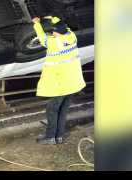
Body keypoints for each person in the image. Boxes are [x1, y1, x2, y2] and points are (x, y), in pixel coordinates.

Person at [32, 16, 86, 145]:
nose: (52, 33)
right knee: (63, 109)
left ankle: (50, 137)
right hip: (73, 83)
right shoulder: (71, 36)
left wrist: (37, 24)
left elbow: (42, 38)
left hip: (61, 84)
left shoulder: (55, 43)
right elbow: (65, 27)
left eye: (53, 31)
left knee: (52, 109)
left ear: (58, 32)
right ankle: (59, 136)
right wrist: (54, 19)